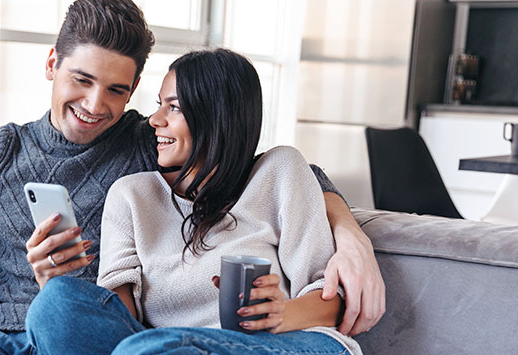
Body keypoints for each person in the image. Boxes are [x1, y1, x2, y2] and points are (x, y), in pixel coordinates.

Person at [0, 1, 383, 354]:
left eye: (117, 90)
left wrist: (351, 237)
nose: (95, 104)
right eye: (82, 79)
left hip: (114, 339)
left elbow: (262, 163)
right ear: (51, 64)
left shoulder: (149, 144)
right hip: (9, 337)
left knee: (71, 306)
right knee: (56, 302)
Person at [26, 48, 362, 354]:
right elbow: (119, 323)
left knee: (157, 347)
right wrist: (55, 280)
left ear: (216, 116)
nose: (155, 120)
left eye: (173, 107)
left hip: (288, 342)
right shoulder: (132, 196)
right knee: (56, 303)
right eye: (159, 105)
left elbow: (332, 300)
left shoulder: (280, 171)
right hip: (161, 348)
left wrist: (279, 313)